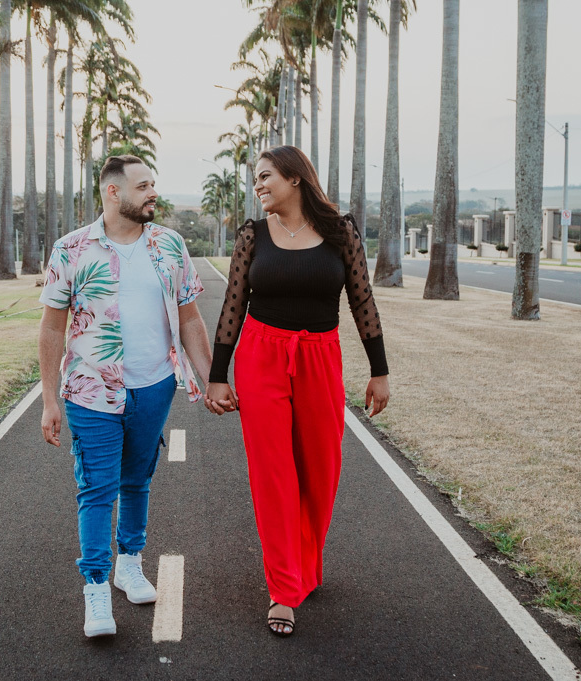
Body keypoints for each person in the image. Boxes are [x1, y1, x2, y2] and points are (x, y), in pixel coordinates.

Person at [205, 145, 390, 637]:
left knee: (321, 470)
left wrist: (379, 370)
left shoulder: (340, 232)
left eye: (265, 176)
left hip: (319, 358)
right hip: (261, 357)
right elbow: (233, 306)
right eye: (256, 178)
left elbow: (362, 301)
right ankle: (284, 589)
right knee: (273, 475)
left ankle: (305, 562)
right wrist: (218, 375)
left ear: (295, 178)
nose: (258, 185)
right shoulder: (253, 235)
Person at [38, 154, 213, 638]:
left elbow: (190, 318)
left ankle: (129, 565)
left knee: (137, 481)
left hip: (154, 386)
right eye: (143, 185)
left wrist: (211, 378)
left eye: (153, 184)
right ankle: (96, 586)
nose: (153, 193)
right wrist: (49, 399)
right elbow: (52, 327)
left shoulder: (169, 245)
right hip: (91, 390)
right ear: (113, 192)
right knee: (97, 488)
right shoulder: (72, 249)